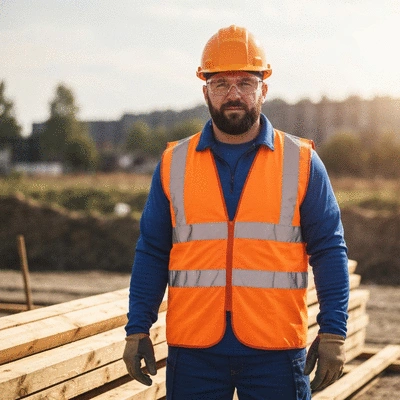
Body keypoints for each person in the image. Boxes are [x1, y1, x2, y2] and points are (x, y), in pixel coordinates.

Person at [123, 25, 349, 400]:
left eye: (245, 82)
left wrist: (333, 333)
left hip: (275, 350)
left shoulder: (303, 162)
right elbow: (152, 251)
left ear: (264, 88)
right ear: (205, 91)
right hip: (194, 351)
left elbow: (329, 251)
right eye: (221, 84)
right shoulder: (172, 164)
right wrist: (137, 329)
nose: (233, 94)